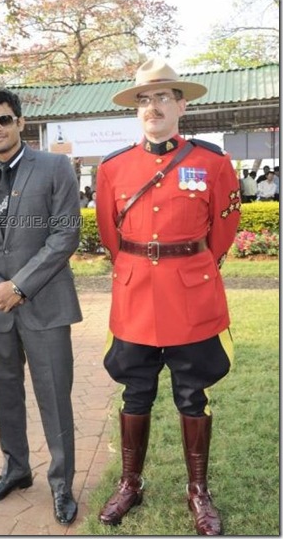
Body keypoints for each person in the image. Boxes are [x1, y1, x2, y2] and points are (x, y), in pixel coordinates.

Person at [95, 59, 241, 535]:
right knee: (135, 389)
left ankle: (198, 490)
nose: (152, 107)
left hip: (190, 296)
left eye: (162, 97)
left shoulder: (211, 163)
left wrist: (190, 268)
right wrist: (142, 267)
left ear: (181, 104)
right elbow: (110, 236)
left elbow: (221, 232)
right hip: (136, 296)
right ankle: (130, 483)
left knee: (191, 393)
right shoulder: (114, 168)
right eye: (143, 99)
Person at [0, 88, 82, 525]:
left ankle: (61, 482)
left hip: (45, 304)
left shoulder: (55, 167)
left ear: (21, 122)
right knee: (6, 393)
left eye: (4, 119)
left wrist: (20, 287)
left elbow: (64, 235)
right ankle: (16, 468)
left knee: (54, 396)